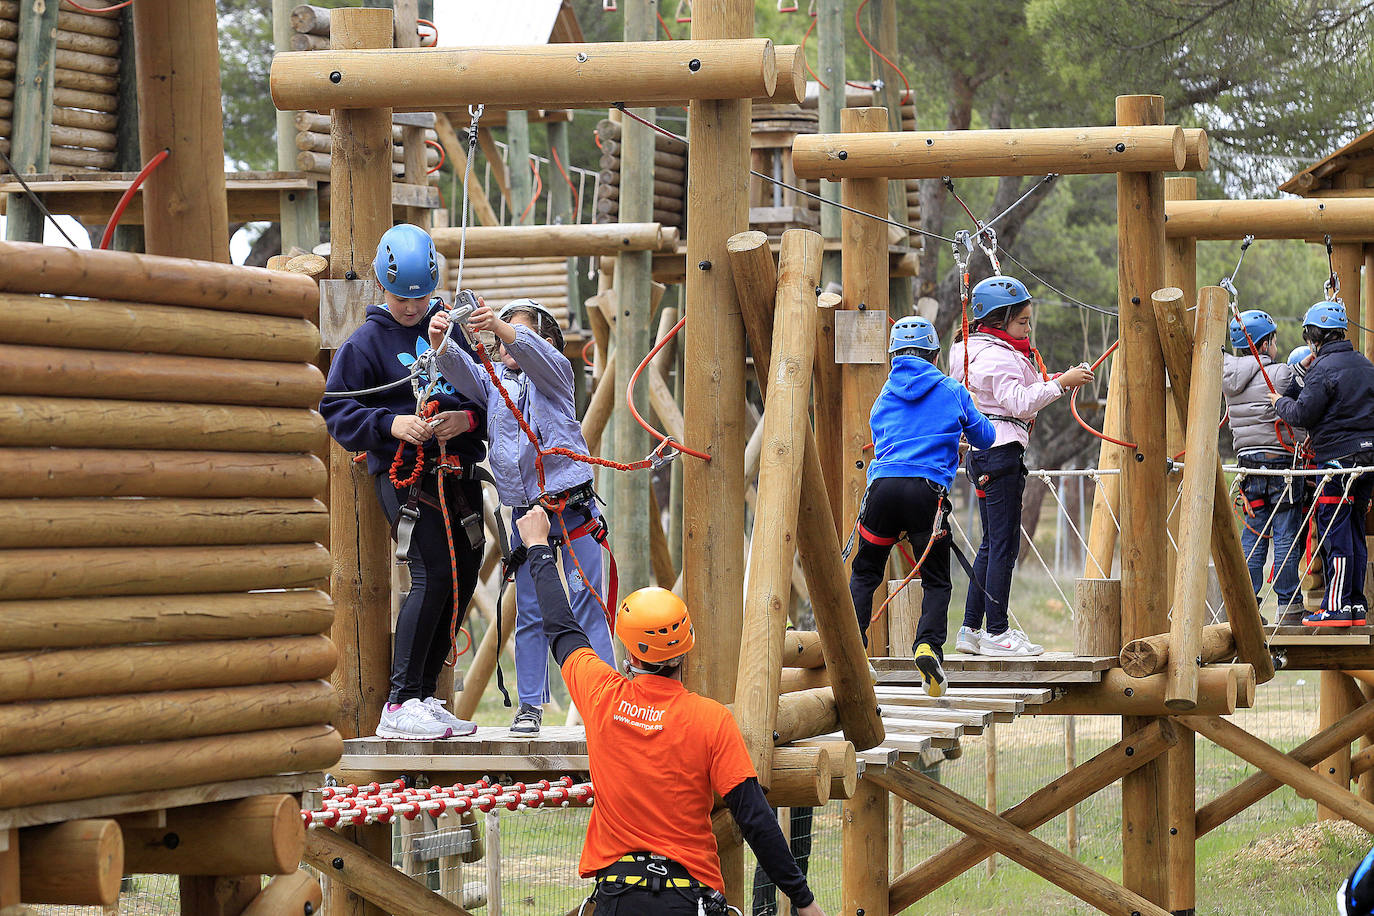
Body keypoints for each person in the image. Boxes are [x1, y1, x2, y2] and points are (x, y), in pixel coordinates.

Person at [514, 505, 825, 916]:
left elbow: (560, 626)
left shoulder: (600, 694)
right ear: (686, 648)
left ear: (628, 650)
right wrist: (803, 903)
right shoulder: (712, 721)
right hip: (688, 900)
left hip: (617, 900)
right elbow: (755, 817)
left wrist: (538, 547)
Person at [321, 224, 486, 740]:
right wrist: (390, 424)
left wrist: (467, 421)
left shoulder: (448, 332)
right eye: (401, 297)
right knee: (433, 572)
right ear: (381, 287)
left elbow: (485, 393)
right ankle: (399, 702)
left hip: (456, 471)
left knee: (464, 572)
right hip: (408, 478)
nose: (412, 308)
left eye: (420, 296)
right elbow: (336, 408)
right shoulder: (365, 344)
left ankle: (424, 694)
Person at [429, 297, 616, 736]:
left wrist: (502, 324)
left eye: (522, 331)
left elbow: (535, 354)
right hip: (527, 514)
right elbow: (466, 372)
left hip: (570, 508)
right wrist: (441, 344)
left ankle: (604, 697)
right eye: (503, 333)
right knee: (530, 610)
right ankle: (530, 704)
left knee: (588, 599)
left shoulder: (556, 376)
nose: (507, 338)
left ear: (546, 341)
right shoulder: (498, 383)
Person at [848, 316, 995, 696]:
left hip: (882, 490)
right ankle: (927, 645)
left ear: (894, 355)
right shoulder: (950, 389)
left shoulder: (883, 396)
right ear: (934, 354)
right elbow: (987, 437)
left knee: (866, 574)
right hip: (925, 494)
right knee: (935, 580)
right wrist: (967, 415)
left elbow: (887, 442)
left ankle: (854, 653)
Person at [949, 277, 1093, 656]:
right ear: (998, 321)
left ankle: (969, 630)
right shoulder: (997, 356)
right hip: (1001, 454)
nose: (1028, 329)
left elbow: (1016, 392)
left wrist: (1061, 379)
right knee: (1004, 547)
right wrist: (1061, 384)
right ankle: (996, 632)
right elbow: (1019, 402)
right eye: (1022, 322)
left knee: (991, 543)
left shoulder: (973, 350)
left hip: (983, 455)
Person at [1271, 300, 1374, 628]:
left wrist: (1280, 402)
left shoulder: (1322, 370)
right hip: (1368, 459)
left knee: (1335, 530)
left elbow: (1302, 414)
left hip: (1336, 461)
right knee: (1356, 529)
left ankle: (1336, 606)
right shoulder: (1365, 364)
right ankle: (1356, 604)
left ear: (1313, 336)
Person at [1222, 309, 1305, 625]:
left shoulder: (1226, 374)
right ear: (1265, 343)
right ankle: (1288, 604)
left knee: (1254, 536)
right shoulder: (1280, 374)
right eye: (1273, 341)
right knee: (1285, 534)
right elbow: (1301, 407)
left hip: (1248, 467)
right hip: (1281, 465)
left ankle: (1246, 605)